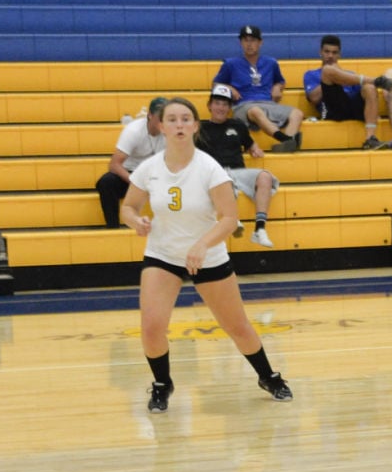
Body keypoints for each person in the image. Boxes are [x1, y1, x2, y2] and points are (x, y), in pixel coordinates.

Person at [119, 97, 293, 412]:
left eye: (185, 119)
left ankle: (268, 375)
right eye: (171, 119)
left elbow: (229, 218)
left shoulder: (208, 167)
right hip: (163, 255)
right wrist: (136, 220)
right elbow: (128, 207)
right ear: (161, 126)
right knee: (152, 326)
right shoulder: (149, 168)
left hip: (208, 256)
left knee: (237, 326)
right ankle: (162, 384)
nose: (179, 124)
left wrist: (202, 245)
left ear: (195, 126)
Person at [198, 83, 280, 248]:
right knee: (224, 180)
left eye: (225, 104)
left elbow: (250, 145)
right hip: (215, 173)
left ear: (229, 107)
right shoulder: (199, 128)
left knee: (265, 176)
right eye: (217, 103)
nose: (221, 107)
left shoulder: (237, 125)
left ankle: (260, 229)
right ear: (209, 106)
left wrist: (255, 149)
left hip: (238, 171)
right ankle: (232, 219)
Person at [212, 25, 304, 152]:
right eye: (246, 40)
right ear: (241, 43)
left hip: (267, 103)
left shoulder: (270, 63)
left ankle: (287, 145)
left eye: (253, 40)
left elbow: (280, 81)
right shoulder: (231, 64)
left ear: (260, 42)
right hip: (244, 105)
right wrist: (229, 88)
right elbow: (216, 84)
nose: (249, 44)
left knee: (297, 113)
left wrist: (278, 87)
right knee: (255, 111)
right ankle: (286, 139)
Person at [303, 34, 392, 150]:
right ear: (320, 52)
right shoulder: (311, 74)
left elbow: (365, 95)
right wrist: (332, 76)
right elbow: (314, 98)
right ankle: (375, 80)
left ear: (339, 54)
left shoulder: (349, 75)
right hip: (331, 110)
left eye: (334, 53)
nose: (330, 56)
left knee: (369, 87)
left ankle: (370, 139)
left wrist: (340, 75)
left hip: (350, 107)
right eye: (327, 52)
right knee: (327, 70)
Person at [95, 97, 168, 227]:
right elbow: (114, 164)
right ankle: (113, 228)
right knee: (106, 183)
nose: (163, 122)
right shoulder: (134, 131)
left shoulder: (171, 131)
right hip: (131, 174)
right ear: (150, 115)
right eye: (160, 117)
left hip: (156, 175)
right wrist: (136, 181)